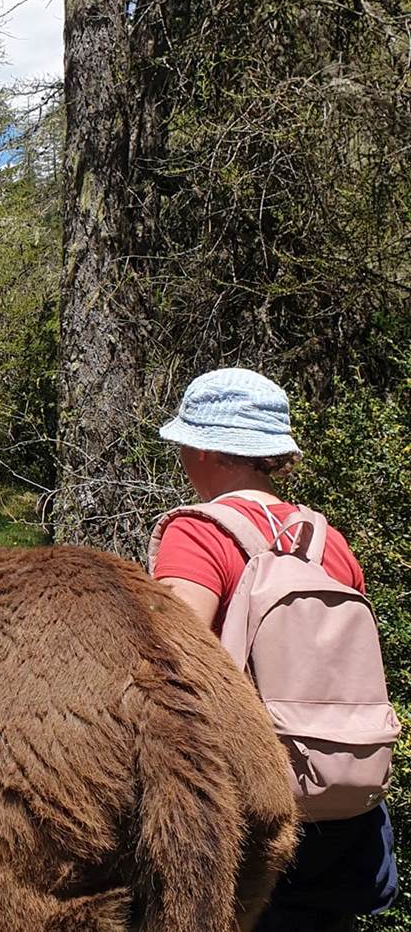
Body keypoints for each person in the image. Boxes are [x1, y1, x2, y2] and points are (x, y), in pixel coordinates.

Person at [151, 367, 397, 931]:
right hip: (344, 809)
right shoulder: (326, 540)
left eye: (186, 444)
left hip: (251, 813)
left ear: (208, 450)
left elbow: (167, 659)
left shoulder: (198, 534)